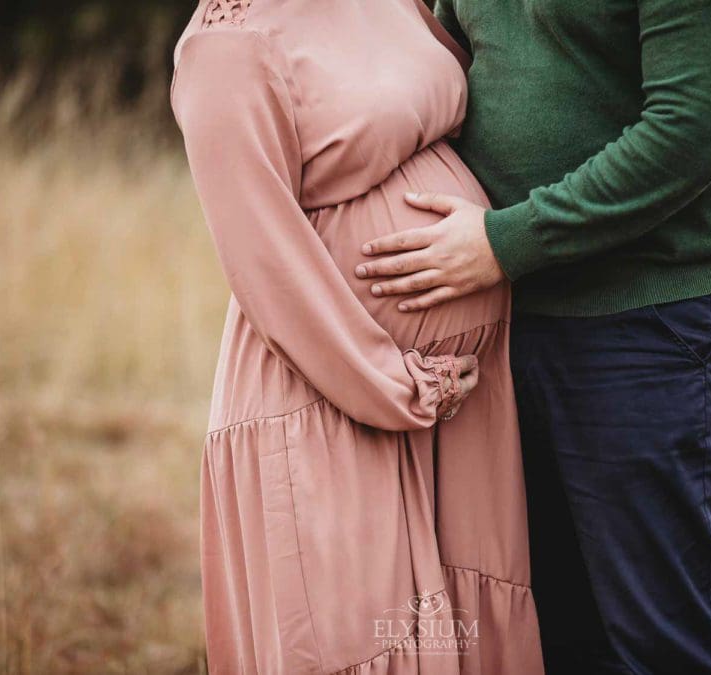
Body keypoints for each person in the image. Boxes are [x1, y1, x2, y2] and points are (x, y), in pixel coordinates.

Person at [356, 0, 711, 672]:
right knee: (549, 635)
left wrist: (505, 242)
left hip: (648, 324)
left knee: (664, 638)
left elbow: (689, 131)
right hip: (505, 322)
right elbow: (445, 60)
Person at [170, 0, 544, 672]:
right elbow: (268, 264)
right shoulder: (225, 51)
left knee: (464, 644)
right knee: (371, 645)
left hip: (457, 416)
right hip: (331, 402)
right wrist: (400, 383)